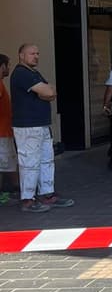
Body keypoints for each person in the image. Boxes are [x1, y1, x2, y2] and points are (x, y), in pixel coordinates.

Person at [11, 44, 75, 212]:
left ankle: (47, 194)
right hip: (27, 126)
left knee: (46, 160)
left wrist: (46, 91)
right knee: (29, 162)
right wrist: (46, 91)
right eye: (32, 53)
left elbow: (51, 92)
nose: (36, 56)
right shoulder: (21, 73)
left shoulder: (34, 73)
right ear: (21, 55)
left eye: (38, 53)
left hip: (41, 124)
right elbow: (47, 92)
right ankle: (27, 200)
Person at [0, 54, 20, 198]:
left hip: (5, 130)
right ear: (2, 66)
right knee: (3, 162)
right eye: (8, 65)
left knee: (8, 161)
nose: (9, 68)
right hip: (1, 132)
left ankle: (14, 187)